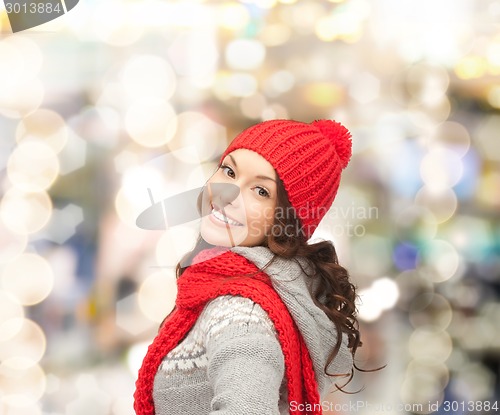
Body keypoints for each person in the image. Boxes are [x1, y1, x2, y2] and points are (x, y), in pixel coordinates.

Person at [134, 119, 363, 415]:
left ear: (287, 222)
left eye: (260, 191)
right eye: (229, 171)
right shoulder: (234, 287)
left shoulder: (242, 314)